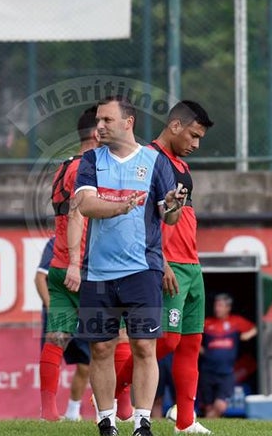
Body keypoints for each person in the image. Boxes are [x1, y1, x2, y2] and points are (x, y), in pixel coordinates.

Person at [74, 95, 186, 436]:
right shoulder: (91, 160)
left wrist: (171, 204)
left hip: (143, 270)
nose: (100, 126)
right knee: (102, 347)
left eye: (107, 120)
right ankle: (106, 420)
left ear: (128, 122)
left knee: (143, 346)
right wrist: (122, 206)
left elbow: (171, 217)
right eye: (98, 120)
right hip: (98, 273)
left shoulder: (156, 161)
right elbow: (86, 205)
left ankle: (142, 421)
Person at [113, 100, 214, 434]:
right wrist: (163, 261)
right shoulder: (148, 161)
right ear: (175, 126)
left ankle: (185, 421)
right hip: (166, 264)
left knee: (191, 343)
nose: (196, 144)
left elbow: (181, 215)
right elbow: (141, 217)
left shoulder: (180, 165)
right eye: (193, 135)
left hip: (192, 265)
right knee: (166, 342)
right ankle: (115, 392)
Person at [39, 106, 100, 421]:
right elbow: (78, 213)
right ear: (95, 134)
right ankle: (122, 409)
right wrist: (78, 262)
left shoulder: (62, 167)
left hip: (59, 263)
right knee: (117, 338)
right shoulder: (86, 169)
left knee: (57, 338)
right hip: (85, 265)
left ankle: (49, 413)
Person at [34, 236, 92, 421]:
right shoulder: (56, 242)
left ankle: (73, 413)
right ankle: (48, 411)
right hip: (62, 306)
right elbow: (40, 277)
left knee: (86, 363)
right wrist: (55, 309)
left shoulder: (95, 237)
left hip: (84, 310)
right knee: (55, 349)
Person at [196, 293, 256, 418]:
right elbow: (194, 336)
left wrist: (248, 335)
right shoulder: (207, 323)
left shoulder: (235, 322)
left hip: (227, 372)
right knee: (208, 406)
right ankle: (212, 427)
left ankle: (207, 423)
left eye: (221, 306)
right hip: (208, 371)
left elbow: (255, 327)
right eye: (216, 305)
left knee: (220, 406)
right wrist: (200, 349)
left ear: (228, 307)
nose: (217, 308)